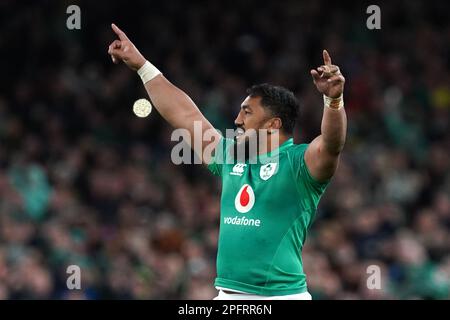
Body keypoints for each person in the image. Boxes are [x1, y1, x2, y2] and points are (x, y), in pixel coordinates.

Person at [108, 23, 347, 300]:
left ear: (273, 124)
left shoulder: (299, 164)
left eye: (246, 112)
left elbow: (332, 144)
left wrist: (334, 100)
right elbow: (186, 116)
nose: (237, 120)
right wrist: (142, 66)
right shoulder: (231, 156)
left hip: (282, 297)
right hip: (228, 296)